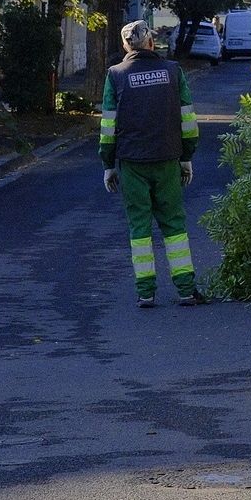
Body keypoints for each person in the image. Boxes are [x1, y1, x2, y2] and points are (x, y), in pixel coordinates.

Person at [101, 21, 205, 307]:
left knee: (139, 227)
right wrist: (186, 157)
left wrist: (108, 163)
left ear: (126, 46)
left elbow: (108, 126)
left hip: (132, 161)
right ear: (150, 43)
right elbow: (188, 121)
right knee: (173, 225)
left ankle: (145, 292)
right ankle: (186, 289)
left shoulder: (116, 75)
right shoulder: (173, 72)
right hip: (168, 158)